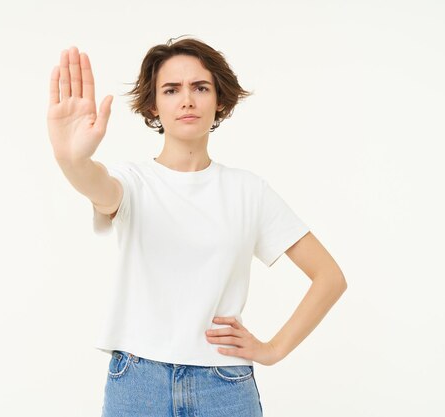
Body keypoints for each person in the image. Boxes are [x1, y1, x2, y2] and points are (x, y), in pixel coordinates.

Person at [47, 36, 347, 417]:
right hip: (138, 385)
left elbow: (329, 277)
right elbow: (99, 187)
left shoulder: (249, 191)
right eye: (171, 90)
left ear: (219, 100)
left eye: (200, 87)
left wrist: (273, 349)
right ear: (154, 105)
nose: (186, 99)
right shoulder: (133, 182)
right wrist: (71, 161)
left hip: (223, 387)